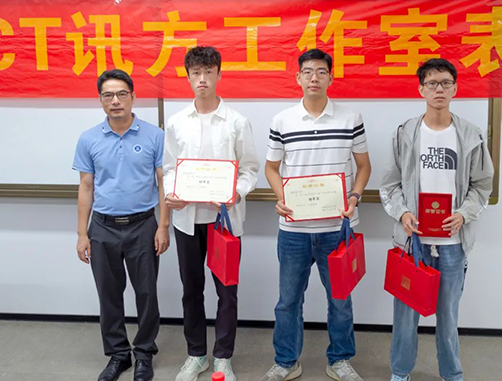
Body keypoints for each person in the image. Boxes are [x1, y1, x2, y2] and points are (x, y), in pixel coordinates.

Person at [379, 58, 494, 381]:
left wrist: (463, 214)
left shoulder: (470, 135)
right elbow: (389, 184)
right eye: (432, 83)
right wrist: (402, 212)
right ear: (421, 90)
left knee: (448, 315)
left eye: (445, 83)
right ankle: (400, 371)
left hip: (453, 244)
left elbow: (482, 185)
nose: (439, 89)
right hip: (412, 242)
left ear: (455, 89)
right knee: (405, 314)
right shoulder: (405, 133)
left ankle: (451, 373)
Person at [260, 49, 371, 381]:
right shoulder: (282, 120)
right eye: (307, 72)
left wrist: (354, 196)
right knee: (288, 301)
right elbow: (271, 167)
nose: (314, 78)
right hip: (294, 229)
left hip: (338, 228)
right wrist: (281, 197)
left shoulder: (351, 118)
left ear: (330, 78)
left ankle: (339, 360)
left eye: (321, 72)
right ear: (298, 77)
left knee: (340, 299)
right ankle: (286, 361)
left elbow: (364, 166)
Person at [163, 46, 260, 381]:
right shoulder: (176, 122)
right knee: (191, 290)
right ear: (188, 76)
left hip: (225, 222)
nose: (202, 79)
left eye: (208, 72)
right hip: (186, 221)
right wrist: (172, 192)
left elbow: (249, 168)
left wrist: (237, 192)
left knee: (226, 292)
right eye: (195, 73)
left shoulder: (236, 122)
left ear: (219, 74)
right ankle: (196, 355)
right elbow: (169, 168)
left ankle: (222, 357)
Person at [73, 69, 170, 381]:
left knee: (147, 293)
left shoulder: (155, 136)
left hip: (143, 225)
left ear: (133, 97)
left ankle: (144, 354)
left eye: (121, 94)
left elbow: (163, 183)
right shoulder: (89, 139)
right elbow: (86, 187)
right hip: (102, 227)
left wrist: (163, 225)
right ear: (101, 100)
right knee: (109, 294)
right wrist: (82, 233)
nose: (115, 100)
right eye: (108, 95)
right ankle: (118, 355)